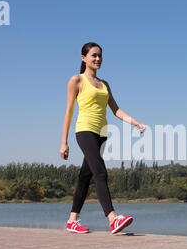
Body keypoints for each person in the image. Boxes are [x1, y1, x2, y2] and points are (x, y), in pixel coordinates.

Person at [60, 42, 146, 235]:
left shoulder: (105, 84)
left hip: (102, 133)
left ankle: (72, 221)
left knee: (85, 177)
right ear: (84, 58)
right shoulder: (77, 80)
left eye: (100, 56)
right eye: (93, 56)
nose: (98, 59)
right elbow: (68, 112)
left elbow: (115, 110)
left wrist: (135, 122)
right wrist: (64, 142)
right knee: (100, 172)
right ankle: (113, 219)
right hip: (85, 131)